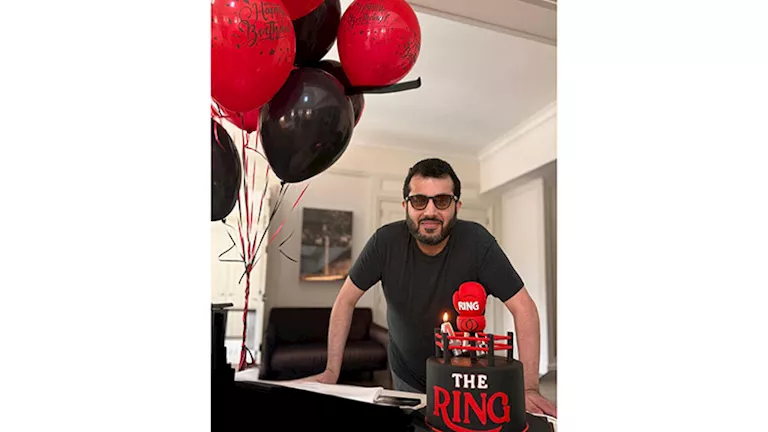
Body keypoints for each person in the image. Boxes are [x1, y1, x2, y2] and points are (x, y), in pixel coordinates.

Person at [306, 158, 557, 417]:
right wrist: (331, 371)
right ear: (405, 205)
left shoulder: (478, 243)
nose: (430, 211)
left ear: (457, 206)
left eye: (442, 200)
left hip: (465, 376)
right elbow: (345, 301)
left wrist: (529, 388)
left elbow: (524, 307)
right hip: (406, 377)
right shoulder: (384, 243)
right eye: (419, 200)